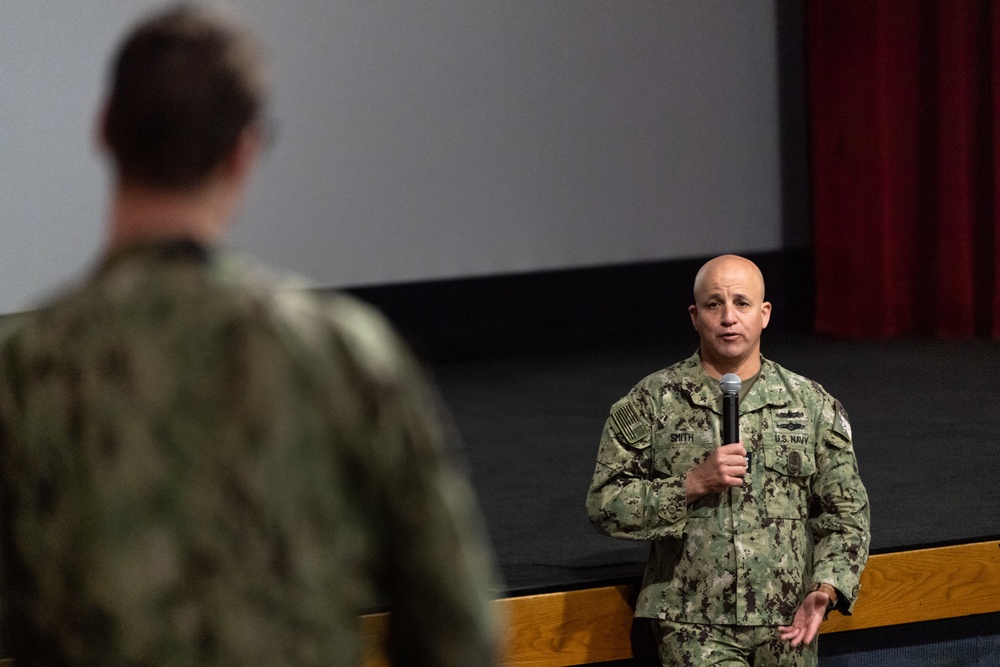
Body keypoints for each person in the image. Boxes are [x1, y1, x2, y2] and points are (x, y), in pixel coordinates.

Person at [0, 5, 500, 666]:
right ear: (244, 151)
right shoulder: (345, 354)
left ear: (103, 129)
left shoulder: (24, 372)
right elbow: (459, 631)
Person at [586, 254, 870, 666]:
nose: (728, 317)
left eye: (742, 302)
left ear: (764, 314)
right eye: (714, 304)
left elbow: (847, 512)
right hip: (691, 623)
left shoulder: (810, 403)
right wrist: (690, 484)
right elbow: (603, 503)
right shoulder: (654, 400)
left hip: (786, 622)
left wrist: (825, 588)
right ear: (695, 315)